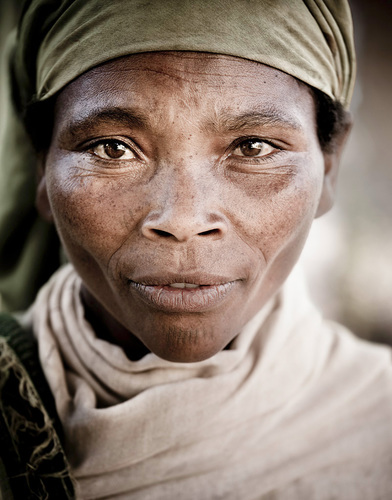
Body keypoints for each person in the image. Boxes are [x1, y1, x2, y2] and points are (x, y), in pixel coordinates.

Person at [0, 1, 391, 499]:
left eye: (253, 147)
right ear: (41, 170)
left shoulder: (382, 423)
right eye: (112, 148)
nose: (183, 220)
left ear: (329, 167)